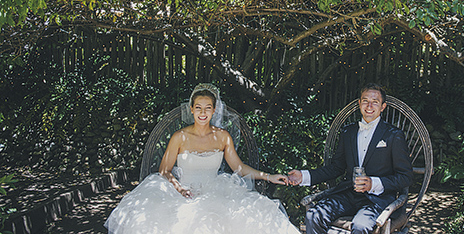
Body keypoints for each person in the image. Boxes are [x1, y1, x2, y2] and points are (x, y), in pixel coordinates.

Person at [105, 83, 300, 234]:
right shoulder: (179, 137)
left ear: (214, 110)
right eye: (198, 108)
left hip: (216, 191)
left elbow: (239, 168)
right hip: (182, 192)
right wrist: (178, 187)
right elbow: (164, 170)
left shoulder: (223, 137)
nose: (203, 113)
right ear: (191, 109)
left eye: (208, 108)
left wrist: (269, 176)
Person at [288, 83, 413, 234]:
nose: (369, 106)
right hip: (348, 194)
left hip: (377, 199)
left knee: (360, 226)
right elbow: (336, 168)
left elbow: (405, 177)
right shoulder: (348, 132)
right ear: (359, 104)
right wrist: (304, 176)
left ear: (383, 107)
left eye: (375, 102)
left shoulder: (393, 135)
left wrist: (374, 183)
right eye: (365, 101)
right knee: (313, 215)